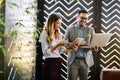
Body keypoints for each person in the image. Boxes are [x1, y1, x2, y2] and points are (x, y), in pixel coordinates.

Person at [39, 13, 78, 80]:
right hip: (49, 63)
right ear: (52, 23)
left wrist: (72, 49)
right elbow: (45, 53)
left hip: (58, 62)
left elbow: (61, 51)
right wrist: (58, 45)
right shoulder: (44, 34)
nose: (59, 25)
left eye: (60, 23)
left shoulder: (58, 34)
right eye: (57, 23)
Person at [64, 10, 100, 80]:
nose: (84, 20)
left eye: (86, 18)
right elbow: (64, 44)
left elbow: (93, 44)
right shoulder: (69, 29)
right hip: (73, 61)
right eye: (82, 18)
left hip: (85, 61)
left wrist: (94, 48)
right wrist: (74, 44)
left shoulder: (91, 29)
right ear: (77, 17)